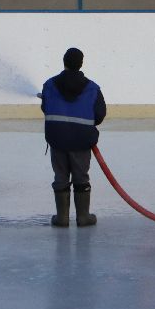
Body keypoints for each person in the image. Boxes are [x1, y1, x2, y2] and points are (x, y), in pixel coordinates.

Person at [39, 47, 107, 227]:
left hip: (58, 139)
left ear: (64, 62)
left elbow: (46, 108)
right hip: (82, 141)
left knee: (60, 176)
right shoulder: (93, 88)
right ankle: (83, 217)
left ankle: (61, 218)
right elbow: (99, 115)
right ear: (81, 64)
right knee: (81, 177)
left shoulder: (49, 85)